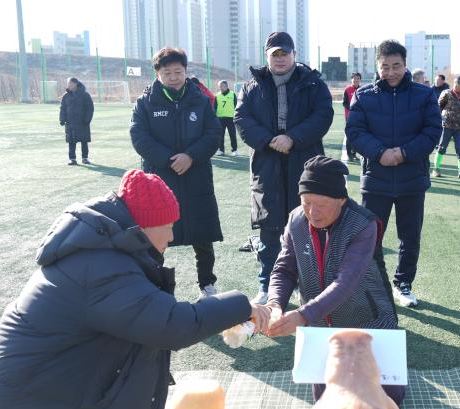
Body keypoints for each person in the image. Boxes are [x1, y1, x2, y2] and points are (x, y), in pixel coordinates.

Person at [0, 170, 269, 409]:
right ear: (144, 227)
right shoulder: (100, 267)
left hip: (40, 398)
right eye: (167, 227)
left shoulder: (105, 253)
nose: (170, 237)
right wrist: (242, 304)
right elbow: (172, 325)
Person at [259, 156, 403, 404]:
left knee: (387, 400)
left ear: (341, 200)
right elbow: (284, 269)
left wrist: (303, 315)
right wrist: (274, 304)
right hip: (320, 326)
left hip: (368, 318)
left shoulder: (363, 224)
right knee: (327, 402)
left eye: (321, 204)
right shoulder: (296, 220)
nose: (312, 212)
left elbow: (345, 282)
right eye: (306, 202)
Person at [235, 31, 334, 305]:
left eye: (284, 53)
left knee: (310, 226)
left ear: (294, 55)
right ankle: (267, 286)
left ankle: (310, 286)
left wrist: (293, 138)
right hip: (267, 165)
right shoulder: (251, 86)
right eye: (274, 54)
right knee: (270, 230)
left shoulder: (313, 84)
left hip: (305, 164)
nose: (280, 59)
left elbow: (323, 115)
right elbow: (242, 118)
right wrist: (269, 141)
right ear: (267, 57)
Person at [346, 39, 442, 308]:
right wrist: (380, 153)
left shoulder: (424, 95)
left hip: (412, 179)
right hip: (376, 179)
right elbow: (355, 132)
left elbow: (432, 131)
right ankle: (372, 286)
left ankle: (404, 284)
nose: (391, 72)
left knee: (409, 237)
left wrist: (402, 153)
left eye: (396, 66)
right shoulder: (363, 96)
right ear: (377, 67)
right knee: (369, 238)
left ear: (405, 64)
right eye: (385, 66)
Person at [131, 48, 224, 299]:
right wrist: (168, 160)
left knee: (202, 235)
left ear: (185, 72)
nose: (173, 77)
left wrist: (191, 156)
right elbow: (139, 137)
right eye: (167, 72)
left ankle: (207, 284)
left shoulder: (201, 100)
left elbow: (213, 134)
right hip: (160, 179)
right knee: (154, 237)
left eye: (178, 72)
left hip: (196, 177)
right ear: (157, 73)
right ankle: (155, 288)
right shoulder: (145, 102)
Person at [432, 74, 460, 179]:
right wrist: (443, 118)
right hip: (446, 125)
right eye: (455, 82)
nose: (455, 85)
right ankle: (436, 169)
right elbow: (439, 107)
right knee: (442, 146)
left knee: (459, 148)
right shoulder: (446, 93)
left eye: (459, 83)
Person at [59, 77, 94, 166]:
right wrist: (62, 119)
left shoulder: (85, 95)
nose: (68, 85)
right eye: (68, 84)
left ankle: (85, 158)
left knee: (84, 141)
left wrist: (87, 119)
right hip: (70, 122)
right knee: (71, 141)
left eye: (70, 84)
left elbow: (90, 108)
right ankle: (72, 159)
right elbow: (62, 108)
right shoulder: (65, 96)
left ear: (75, 84)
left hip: (82, 122)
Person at [214, 80, 239, 156]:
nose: (221, 87)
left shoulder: (232, 94)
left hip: (231, 118)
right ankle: (221, 150)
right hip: (220, 118)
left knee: (232, 134)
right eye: (219, 86)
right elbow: (215, 107)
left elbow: (236, 106)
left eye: (222, 86)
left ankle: (234, 150)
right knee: (220, 134)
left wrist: (236, 115)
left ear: (226, 86)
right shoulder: (217, 95)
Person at [342, 72, 362, 162]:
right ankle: (349, 154)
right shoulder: (347, 89)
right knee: (349, 135)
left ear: (360, 80)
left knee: (358, 135)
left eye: (358, 78)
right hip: (349, 117)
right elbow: (344, 103)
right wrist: (352, 109)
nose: (356, 80)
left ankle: (354, 153)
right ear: (351, 79)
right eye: (354, 78)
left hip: (360, 117)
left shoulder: (362, 90)